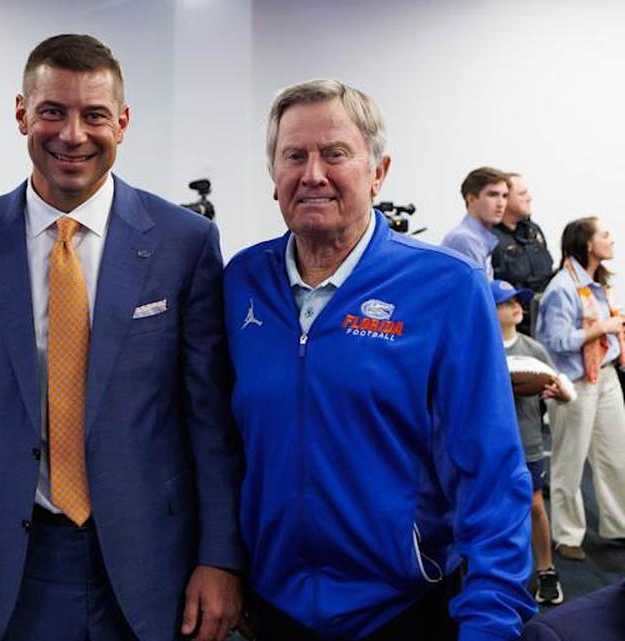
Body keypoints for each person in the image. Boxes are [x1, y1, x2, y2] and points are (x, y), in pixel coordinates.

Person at [0, 33, 243, 641]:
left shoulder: (183, 244)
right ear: (21, 114)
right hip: (11, 565)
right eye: (52, 112)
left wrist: (219, 556)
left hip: (155, 561)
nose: (72, 135)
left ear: (122, 122)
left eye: (94, 115)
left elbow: (210, 421)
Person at [223, 79, 534, 641]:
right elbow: (222, 445)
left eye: (335, 153)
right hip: (273, 612)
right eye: (294, 155)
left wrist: (492, 620)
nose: (312, 173)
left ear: (379, 171)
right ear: (274, 176)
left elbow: (489, 471)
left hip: (401, 611)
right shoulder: (241, 282)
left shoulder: (445, 287)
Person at [534, 216, 625, 562]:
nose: (612, 239)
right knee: (569, 462)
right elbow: (554, 341)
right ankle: (567, 535)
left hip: (605, 377)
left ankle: (619, 525)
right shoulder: (563, 288)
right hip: (573, 382)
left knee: (617, 456)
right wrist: (604, 326)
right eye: (605, 234)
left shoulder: (599, 283)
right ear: (588, 244)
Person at [493, 279, 573, 605]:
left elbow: (563, 391)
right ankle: (493, 573)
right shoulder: (480, 346)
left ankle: (546, 569)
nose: (517, 306)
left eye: (518, 301)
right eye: (507, 302)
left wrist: (561, 393)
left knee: (535, 504)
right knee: (489, 507)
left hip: (527, 441)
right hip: (489, 441)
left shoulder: (533, 349)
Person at [442, 166, 510, 280]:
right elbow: (476, 294)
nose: (501, 203)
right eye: (492, 195)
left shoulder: (482, 239)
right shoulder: (465, 239)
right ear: (471, 199)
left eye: (505, 196)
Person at [491, 173, 554, 294]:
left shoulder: (533, 231)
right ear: (504, 199)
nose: (529, 198)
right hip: (515, 308)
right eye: (522, 194)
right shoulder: (490, 239)